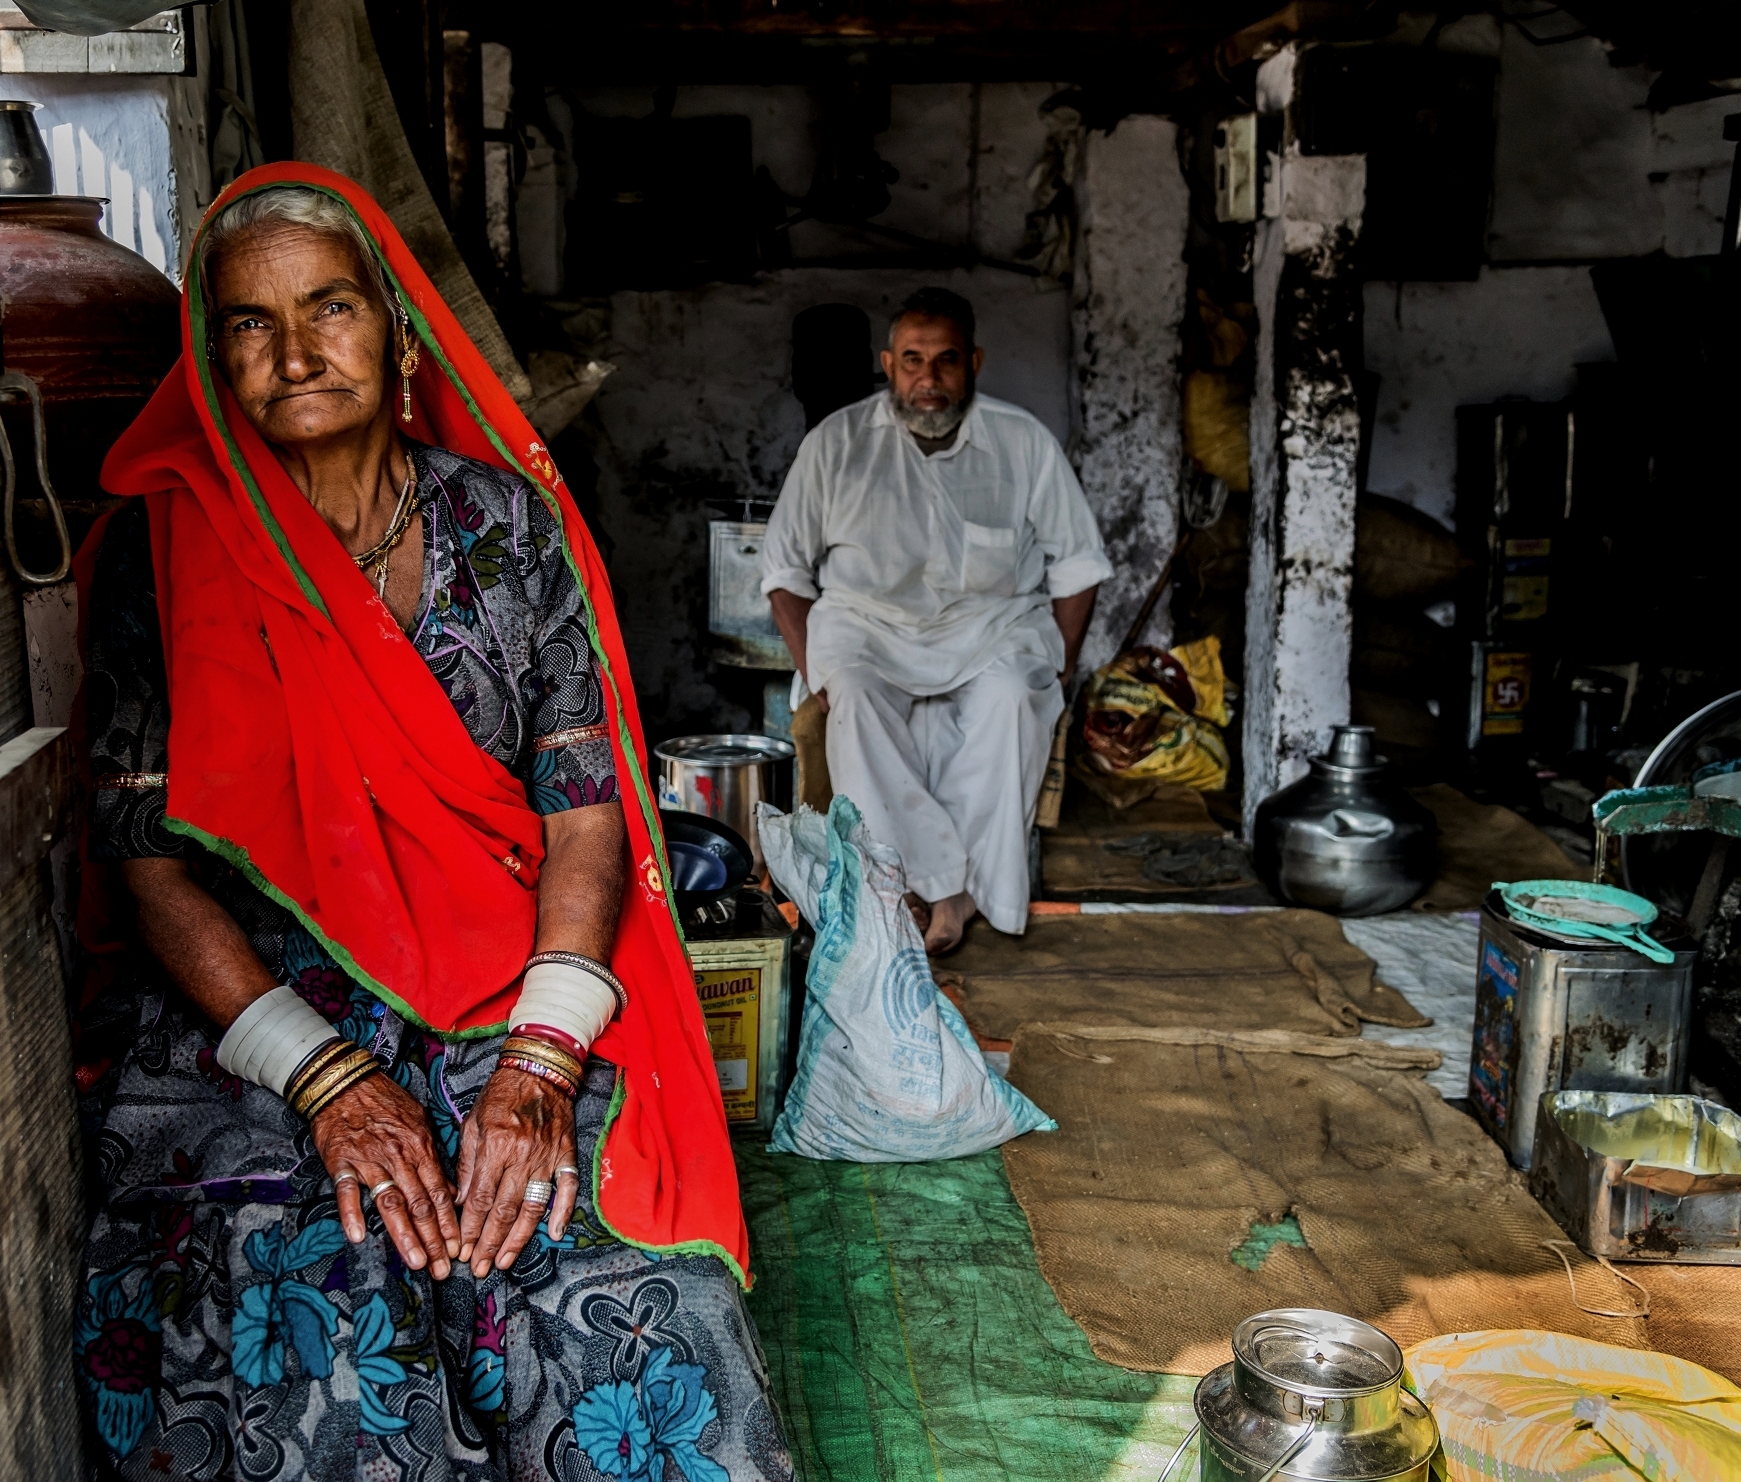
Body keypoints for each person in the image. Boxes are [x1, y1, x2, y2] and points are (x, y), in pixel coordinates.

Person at [71, 163, 787, 1481]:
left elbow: (585, 813)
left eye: (328, 307)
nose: (293, 352)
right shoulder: (160, 550)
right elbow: (143, 857)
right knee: (295, 1271)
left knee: (597, 1250)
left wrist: (538, 1065)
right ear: (207, 351)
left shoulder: (505, 524)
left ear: (396, 332)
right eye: (246, 321)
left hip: (503, 973)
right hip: (258, 996)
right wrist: (328, 1078)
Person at [761, 288, 1112, 955]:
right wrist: (819, 671)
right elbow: (784, 574)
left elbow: (1078, 567)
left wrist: (1057, 671)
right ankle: (924, 887)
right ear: (888, 365)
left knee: (1014, 697)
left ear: (973, 362)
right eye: (913, 361)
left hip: (990, 630)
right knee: (856, 701)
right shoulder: (835, 444)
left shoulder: (1023, 442)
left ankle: (952, 897)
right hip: (867, 629)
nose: (929, 378)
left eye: (946, 361)